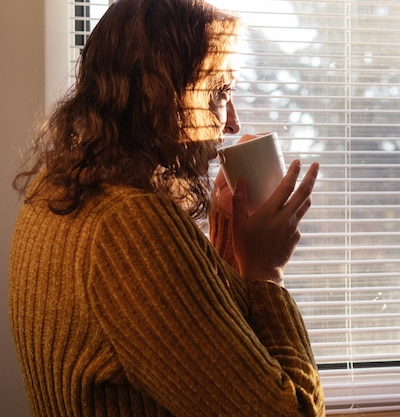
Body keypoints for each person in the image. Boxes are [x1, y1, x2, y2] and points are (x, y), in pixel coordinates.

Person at [8, 0, 325, 416]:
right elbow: (291, 411)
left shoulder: (58, 190)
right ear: (159, 95)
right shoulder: (131, 227)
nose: (232, 123)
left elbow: (192, 355)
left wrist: (228, 233)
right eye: (219, 93)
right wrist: (267, 272)